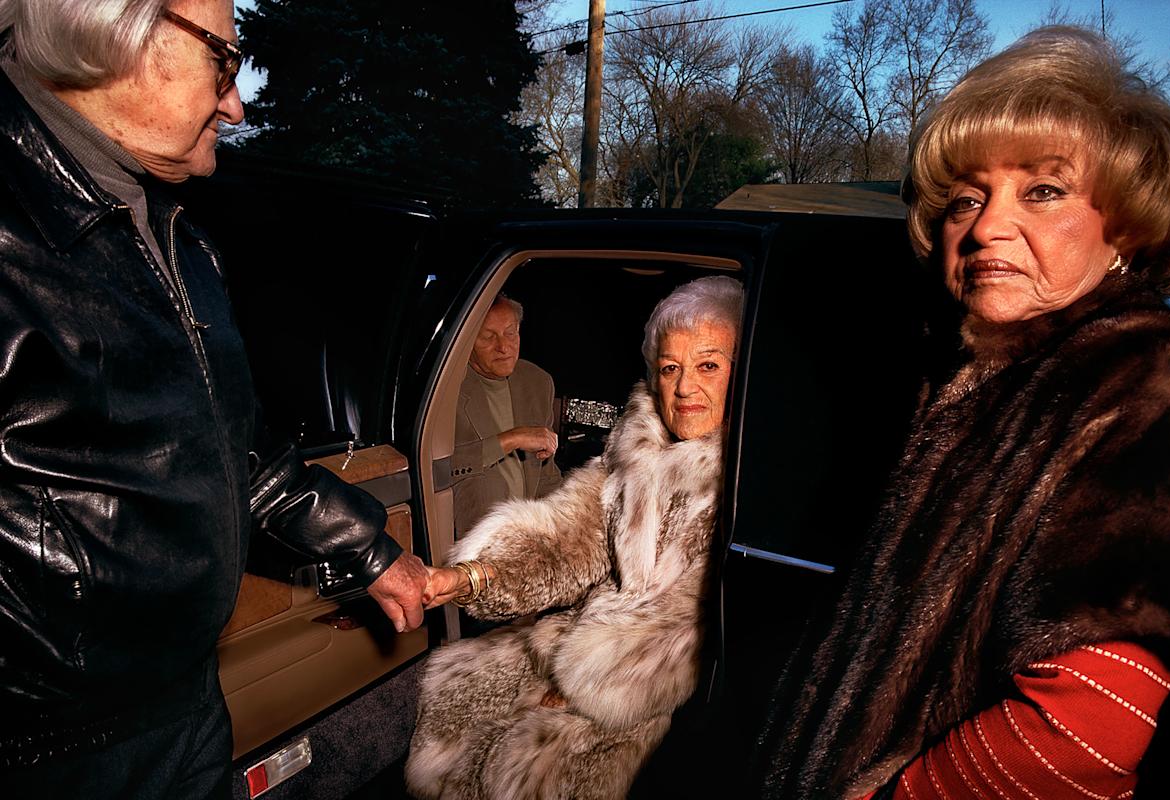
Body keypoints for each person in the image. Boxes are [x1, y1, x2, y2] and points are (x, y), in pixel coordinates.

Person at [756, 27, 1170, 799]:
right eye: (967, 198)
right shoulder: (988, 376)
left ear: (1124, 226)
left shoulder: (1143, 378)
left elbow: (1091, 728)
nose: (986, 226)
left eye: (1043, 190)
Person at [0, 2, 430, 797]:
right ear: (116, 29)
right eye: (223, 61)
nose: (235, 104)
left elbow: (243, 455)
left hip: (186, 711)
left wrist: (371, 556)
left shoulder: (181, 241)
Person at [406, 275, 743, 800]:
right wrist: (472, 575)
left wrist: (580, 685)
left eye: (708, 366)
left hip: (654, 680)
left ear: (741, 373)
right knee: (459, 690)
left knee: (531, 764)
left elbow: (691, 624)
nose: (683, 388)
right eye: (670, 368)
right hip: (588, 640)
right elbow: (568, 538)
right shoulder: (635, 451)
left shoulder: (746, 475)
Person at [452, 295, 561, 538]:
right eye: (489, 337)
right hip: (475, 541)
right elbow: (438, 470)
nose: (503, 347)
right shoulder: (447, 389)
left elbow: (546, 475)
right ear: (467, 339)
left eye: (510, 333)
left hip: (529, 537)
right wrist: (511, 439)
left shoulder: (538, 382)